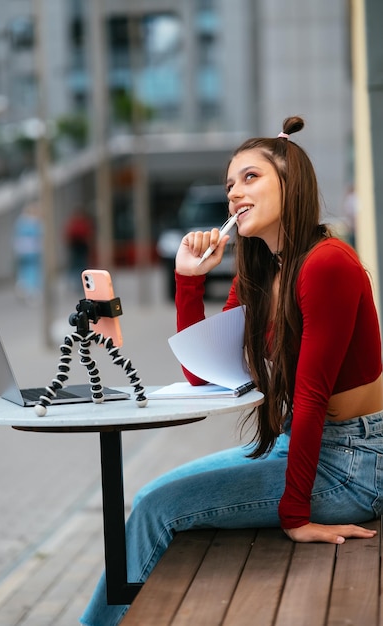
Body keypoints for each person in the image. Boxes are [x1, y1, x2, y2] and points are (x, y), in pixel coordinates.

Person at [80, 116, 383, 626]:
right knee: (150, 500)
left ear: (291, 183)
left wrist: (296, 516)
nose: (233, 194)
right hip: (301, 446)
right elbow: (209, 378)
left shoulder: (327, 264)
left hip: (355, 465)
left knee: (157, 508)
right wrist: (188, 281)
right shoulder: (263, 273)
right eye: (229, 184)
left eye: (250, 178)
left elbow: (310, 397)